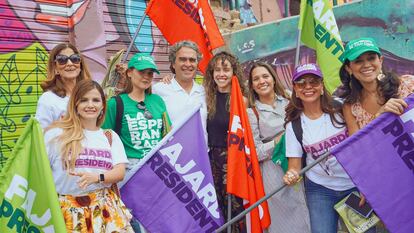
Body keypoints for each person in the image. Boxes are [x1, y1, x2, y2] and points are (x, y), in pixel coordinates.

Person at [282, 63, 368, 233]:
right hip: (320, 189)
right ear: (296, 90)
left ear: (321, 86)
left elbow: (361, 146)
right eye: (302, 83)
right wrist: (291, 175)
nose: (308, 87)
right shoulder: (294, 126)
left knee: (365, 232)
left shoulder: (342, 109)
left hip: (353, 184)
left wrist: (365, 183)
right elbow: (295, 167)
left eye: (313, 82)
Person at [44, 80, 133, 232]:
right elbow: (41, 171)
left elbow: (119, 172)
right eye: (84, 100)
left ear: (103, 105)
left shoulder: (110, 136)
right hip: (65, 212)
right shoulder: (55, 134)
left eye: (96, 100)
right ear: (75, 104)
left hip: (104, 209)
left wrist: (96, 177)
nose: (90, 105)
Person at [102, 53, 170, 233]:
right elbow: (105, 141)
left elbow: (167, 135)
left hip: (157, 171)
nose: (147, 77)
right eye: (142, 72)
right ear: (130, 73)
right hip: (130, 174)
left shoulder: (158, 101)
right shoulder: (115, 104)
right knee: (135, 224)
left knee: (157, 223)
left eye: (150, 73)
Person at [246, 62, 310, 233]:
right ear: (252, 85)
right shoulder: (252, 113)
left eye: (265, 76)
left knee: (308, 212)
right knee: (284, 222)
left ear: (273, 79)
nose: (262, 81)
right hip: (273, 172)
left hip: (302, 164)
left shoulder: (291, 100)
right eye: (256, 79)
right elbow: (256, 153)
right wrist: (278, 141)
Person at [204, 51, 247, 233]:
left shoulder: (241, 100)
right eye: (217, 70)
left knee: (236, 207)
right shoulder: (207, 98)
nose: (221, 74)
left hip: (234, 160)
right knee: (217, 207)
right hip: (211, 159)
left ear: (234, 72)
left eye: (226, 70)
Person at [339, 37, 414, 134]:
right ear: (349, 68)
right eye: (358, 61)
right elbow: (359, 145)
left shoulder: (408, 84)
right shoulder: (350, 107)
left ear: (380, 60)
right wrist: (378, 117)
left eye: (371, 58)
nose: (366, 65)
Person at [152, 40, 208, 140]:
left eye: (192, 60)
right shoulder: (158, 90)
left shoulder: (205, 92)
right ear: (173, 64)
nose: (188, 64)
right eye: (183, 59)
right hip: (171, 154)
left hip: (201, 154)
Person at [36, 42, 91, 128]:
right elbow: (42, 135)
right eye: (62, 60)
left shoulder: (90, 95)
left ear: (80, 65)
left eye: (75, 58)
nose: (69, 63)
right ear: (55, 68)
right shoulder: (48, 99)